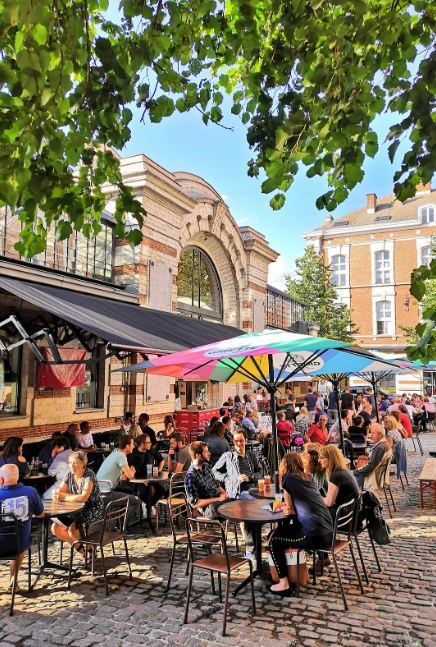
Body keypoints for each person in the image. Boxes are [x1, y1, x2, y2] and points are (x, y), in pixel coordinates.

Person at [268, 453, 333, 595]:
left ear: (284, 466)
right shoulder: (309, 477)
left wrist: (279, 507)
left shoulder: (287, 479)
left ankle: (284, 583)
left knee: (274, 541)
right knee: (280, 532)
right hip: (328, 531)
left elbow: (289, 510)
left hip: (314, 534)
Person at [213, 429, 262, 557]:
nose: (239, 444)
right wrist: (228, 478)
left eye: (241, 440)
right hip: (236, 493)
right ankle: (251, 549)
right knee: (249, 513)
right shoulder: (228, 456)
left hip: (252, 491)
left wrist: (250, 477)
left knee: (261, 510)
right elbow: (214, 472)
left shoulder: (251, 456)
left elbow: (260, 473)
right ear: (233, 442)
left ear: (246, 440)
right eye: (236, 441)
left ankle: (254, 546)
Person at [50, 450, 105, 557]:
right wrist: (59, 495)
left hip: (91, 508)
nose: (72, 465)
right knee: (55, 528)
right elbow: (60, 491)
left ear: (83, 464)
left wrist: (63, 497)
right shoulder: (69, 474)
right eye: (70, 462)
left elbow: (83, 498)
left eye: (75, 463)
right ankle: (82, 551)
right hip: (74, 508)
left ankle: (90, 548)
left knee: (73, 531)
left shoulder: (89, 475)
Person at [0, 464, 44, 589]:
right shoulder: (30, 491)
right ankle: (13, 580)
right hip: (19, 545)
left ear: (1, 479)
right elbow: (41, 514)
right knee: (19, 538)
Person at [184, 442, 228, 519]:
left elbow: (216, 485)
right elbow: (195, 503)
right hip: (207, 509)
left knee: (236, 501)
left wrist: (225, 495)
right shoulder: (190, 475)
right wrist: (218, 499)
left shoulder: (206, 466)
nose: (209, 453)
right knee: (221, 508)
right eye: (206, 451)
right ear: (198, 455)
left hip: (218, 501)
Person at [319, 445, 359, 519]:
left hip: (344, 518)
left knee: (310, 514)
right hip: (352, 515)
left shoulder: (336, 476)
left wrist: (316, 497)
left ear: (330, 459)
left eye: (321, 458)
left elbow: (329, 503)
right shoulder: (344, 471)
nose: (319, 460)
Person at [128, 434, 165, 512]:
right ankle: (147, 506)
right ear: (142, 444)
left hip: (151, 477)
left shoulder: (151, 450)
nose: (151, 444)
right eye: (148, 442)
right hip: (139, 480)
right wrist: (142, 481)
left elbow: (161, 460)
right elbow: (130, 473)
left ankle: (148, 505)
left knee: (161, 490)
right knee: (145, 491)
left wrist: (159, 470)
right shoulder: (133, 454)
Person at [353, 424, 392, 488]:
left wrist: (355, 472)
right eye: (371, 433)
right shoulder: (384, 444)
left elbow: (370, 467)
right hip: (376, 475)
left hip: (372, 478)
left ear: (380, 434)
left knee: (345, 480)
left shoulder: (380, 447)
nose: (371, 435)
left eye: (373, 433)